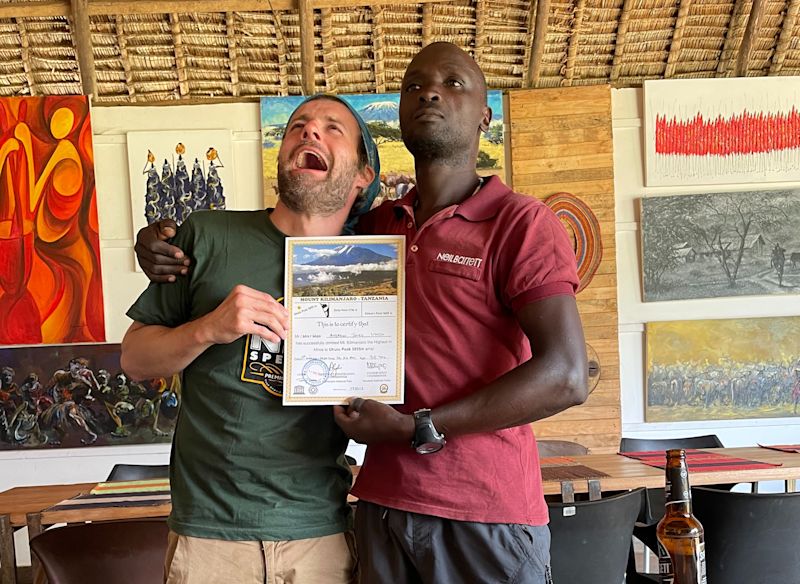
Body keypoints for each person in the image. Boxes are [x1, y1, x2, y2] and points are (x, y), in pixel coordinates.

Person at [136, 42, 587, 584]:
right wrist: (158, 243)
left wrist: (417, 427)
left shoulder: (521, 223)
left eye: (453, 83)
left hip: (481, 510)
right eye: (414, 85)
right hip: (378, 507)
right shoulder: (373, 234)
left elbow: (567, 373)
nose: (430, 94)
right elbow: (141, 351)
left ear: (485, 116)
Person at [121, 95, 380, 584]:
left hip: (319, 532)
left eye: (332, 127)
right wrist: (208, 328)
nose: (309, 132)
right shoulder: (209, 233)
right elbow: (134, 359)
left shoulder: (372, 260)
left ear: (364, 175)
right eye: (297, 125)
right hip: (209, 537)